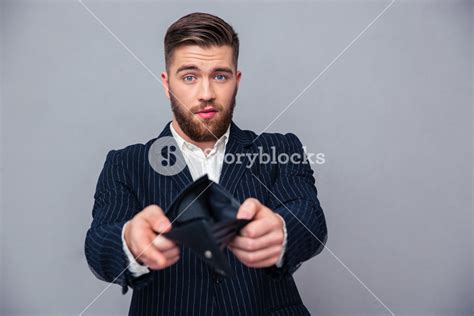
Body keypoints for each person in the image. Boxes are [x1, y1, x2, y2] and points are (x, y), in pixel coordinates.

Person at [85, 12, 327, 315]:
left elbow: (310, 217)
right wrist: (129, 241)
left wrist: (282, 229)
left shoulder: (280, 148)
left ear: (236, 80)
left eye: (220, 76)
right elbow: (98, 242)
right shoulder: (125, 164)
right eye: (189, 77)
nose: (206, 93)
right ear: (166, 83)